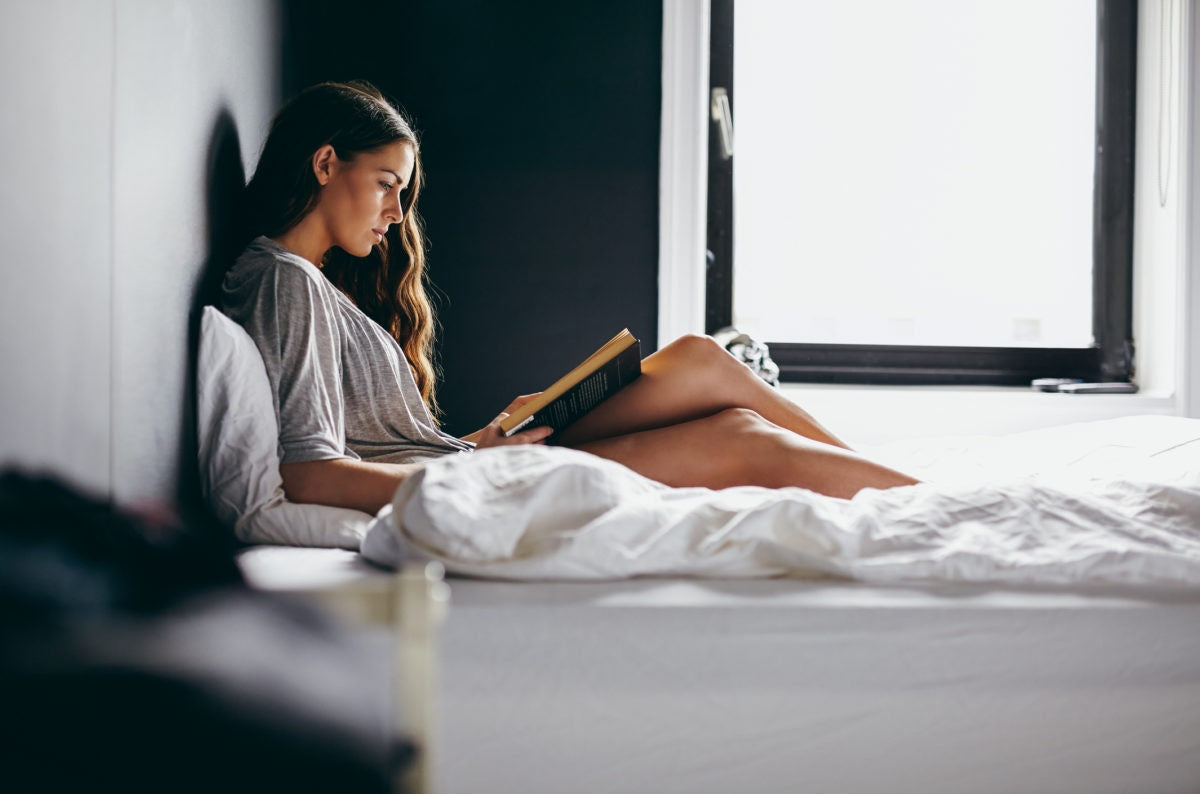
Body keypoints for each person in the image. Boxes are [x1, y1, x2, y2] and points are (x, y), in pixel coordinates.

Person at [222, 81, 917, 516]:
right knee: (740, 437)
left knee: (703, 360)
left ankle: (908, 491)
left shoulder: (304, 281)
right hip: (472, 480)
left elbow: (383, 446)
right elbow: (309, 474)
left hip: (466, 459)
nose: (397, 211)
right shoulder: (284, 280)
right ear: (324, 164)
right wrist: (482, 469)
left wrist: (478, 441)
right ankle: (920, 504)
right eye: (386, 182)